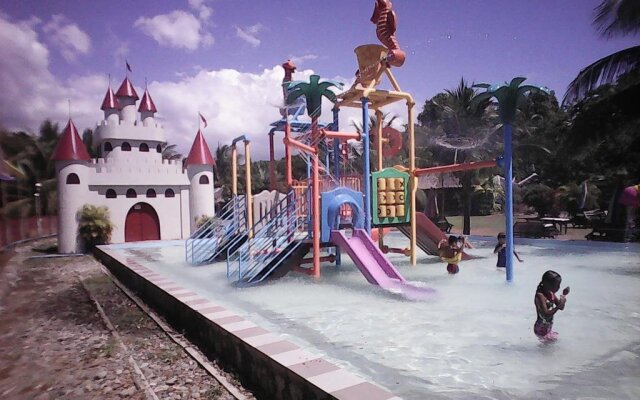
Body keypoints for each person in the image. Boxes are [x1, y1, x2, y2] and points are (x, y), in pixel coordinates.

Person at [534, 270, 570, 341]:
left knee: (549, 348)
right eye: (556, 285)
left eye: (559, 285)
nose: (559, 287)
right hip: (540, 328)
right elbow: (546, 314)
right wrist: (558, 307)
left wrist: (563, 296)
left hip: (548, 327)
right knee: (548, 349)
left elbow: (561, 307)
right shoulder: (540, 295)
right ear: (547, 284)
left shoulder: (550, 293)